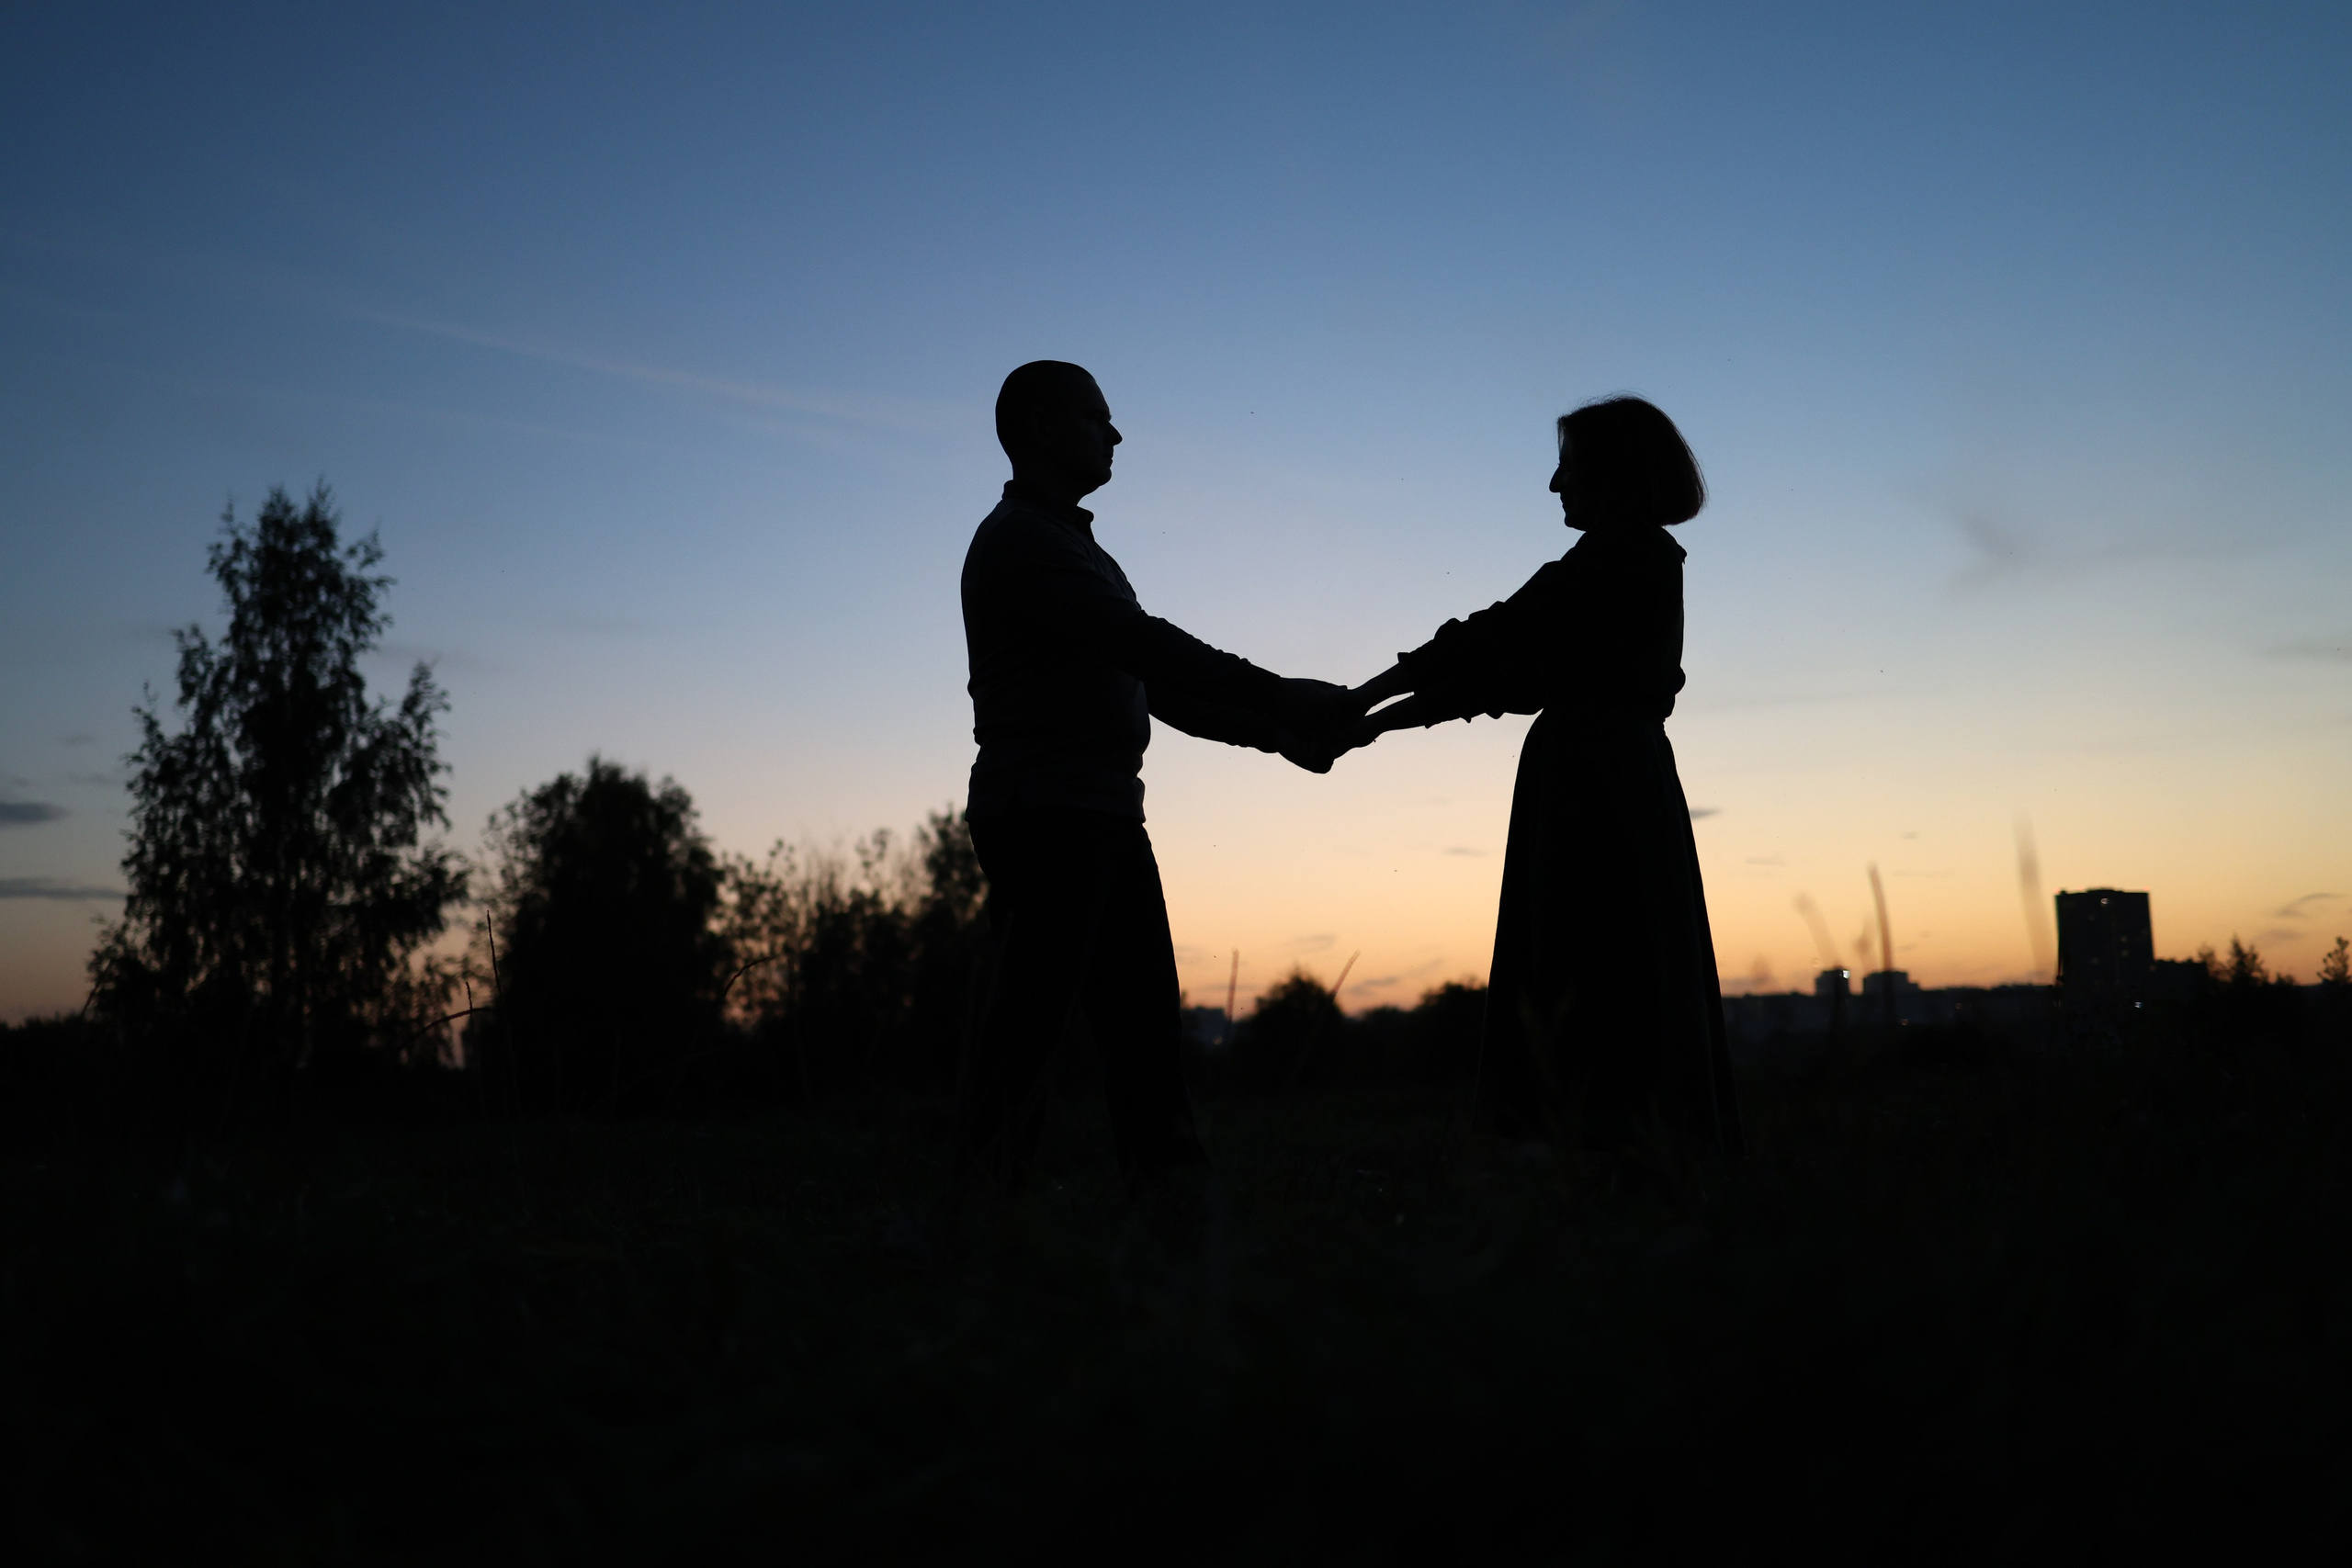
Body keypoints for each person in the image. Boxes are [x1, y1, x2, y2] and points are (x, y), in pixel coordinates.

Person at [957, 360, 1347, 1195]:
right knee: (1036, 1026)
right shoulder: (1023, 542)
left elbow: (1154, 687)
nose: (1117, 432)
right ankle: (975, 1217)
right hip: (1051, 815)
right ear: (1038, 428)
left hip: (1094, 815)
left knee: (1134, 1030)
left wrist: (1274, 733)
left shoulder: (1072, 549)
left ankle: (1162, 1211)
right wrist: (1282, 694)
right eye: (1098, 416)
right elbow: (1147, 647)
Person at [1343, 396, 1742, 1157]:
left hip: (1599, 783)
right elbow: (1510, 664)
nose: (1555, 485)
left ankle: (1596, 1144)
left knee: (1593, 958)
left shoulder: (1623, 558)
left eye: (1569, 466)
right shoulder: (1620, 560)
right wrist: (1374, 714)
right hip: (1602, 775)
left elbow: (1500, 642)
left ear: (1610, 472)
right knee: (1608, 954)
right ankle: (1613, 1146)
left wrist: (1365, 705)